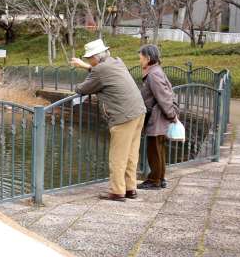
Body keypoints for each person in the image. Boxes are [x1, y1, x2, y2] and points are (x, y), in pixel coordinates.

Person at [70, 39, 146, 202]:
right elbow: (101, 71)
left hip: (123, 116)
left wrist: (77, 86)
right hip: (138, 112)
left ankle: (117, 191)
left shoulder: (99, 71)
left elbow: (82, 89)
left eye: (89, 58)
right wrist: (86, 66)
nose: (89, 61)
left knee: (117, 156)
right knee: (131, 154)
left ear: (96, 58)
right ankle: (130, 188)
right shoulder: (117, 61)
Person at [137, 44, 177, 189]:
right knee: (158, 149)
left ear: (148, 58)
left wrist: (172, 115)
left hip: (158, 117)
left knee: (154, 149)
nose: (139, 60)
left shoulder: (153, 74)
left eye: (140, 57)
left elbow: (164, 97)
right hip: (159, 115)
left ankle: (155, 180)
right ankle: (159, 178)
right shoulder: (157, 71)